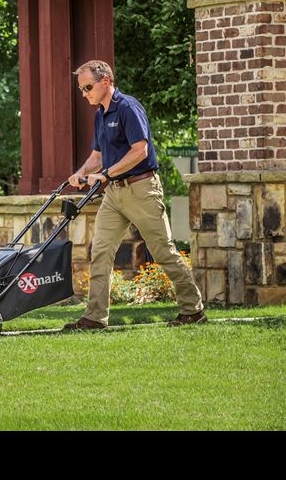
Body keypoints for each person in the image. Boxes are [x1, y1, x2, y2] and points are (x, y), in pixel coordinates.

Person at [63, 60, 206, 330]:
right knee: (100, 251)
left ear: (106, 81)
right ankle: (94, 318)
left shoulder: (128, 107)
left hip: (141, 189)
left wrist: (105, 174)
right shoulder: (100, 115)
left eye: (88, 87)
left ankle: (193, 310)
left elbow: (140, 150)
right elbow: (98, 156)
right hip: (114, 194)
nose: (84, 94)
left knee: (163, 251)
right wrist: (81, 172)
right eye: (81, 89)